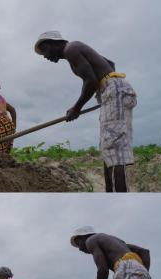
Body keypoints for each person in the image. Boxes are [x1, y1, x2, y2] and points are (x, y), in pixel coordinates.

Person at [34, 31, 137, 192]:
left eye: (44, 50)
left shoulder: (71, 49)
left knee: (114, 148)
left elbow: (91, 81)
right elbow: (110, 64)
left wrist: (77, 108)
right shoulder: (73, 50)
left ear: (54, 43)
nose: (45, 56)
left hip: (113, 92)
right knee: (108, 147)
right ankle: (111, 192)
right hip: (111, 93)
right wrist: (106, 91)